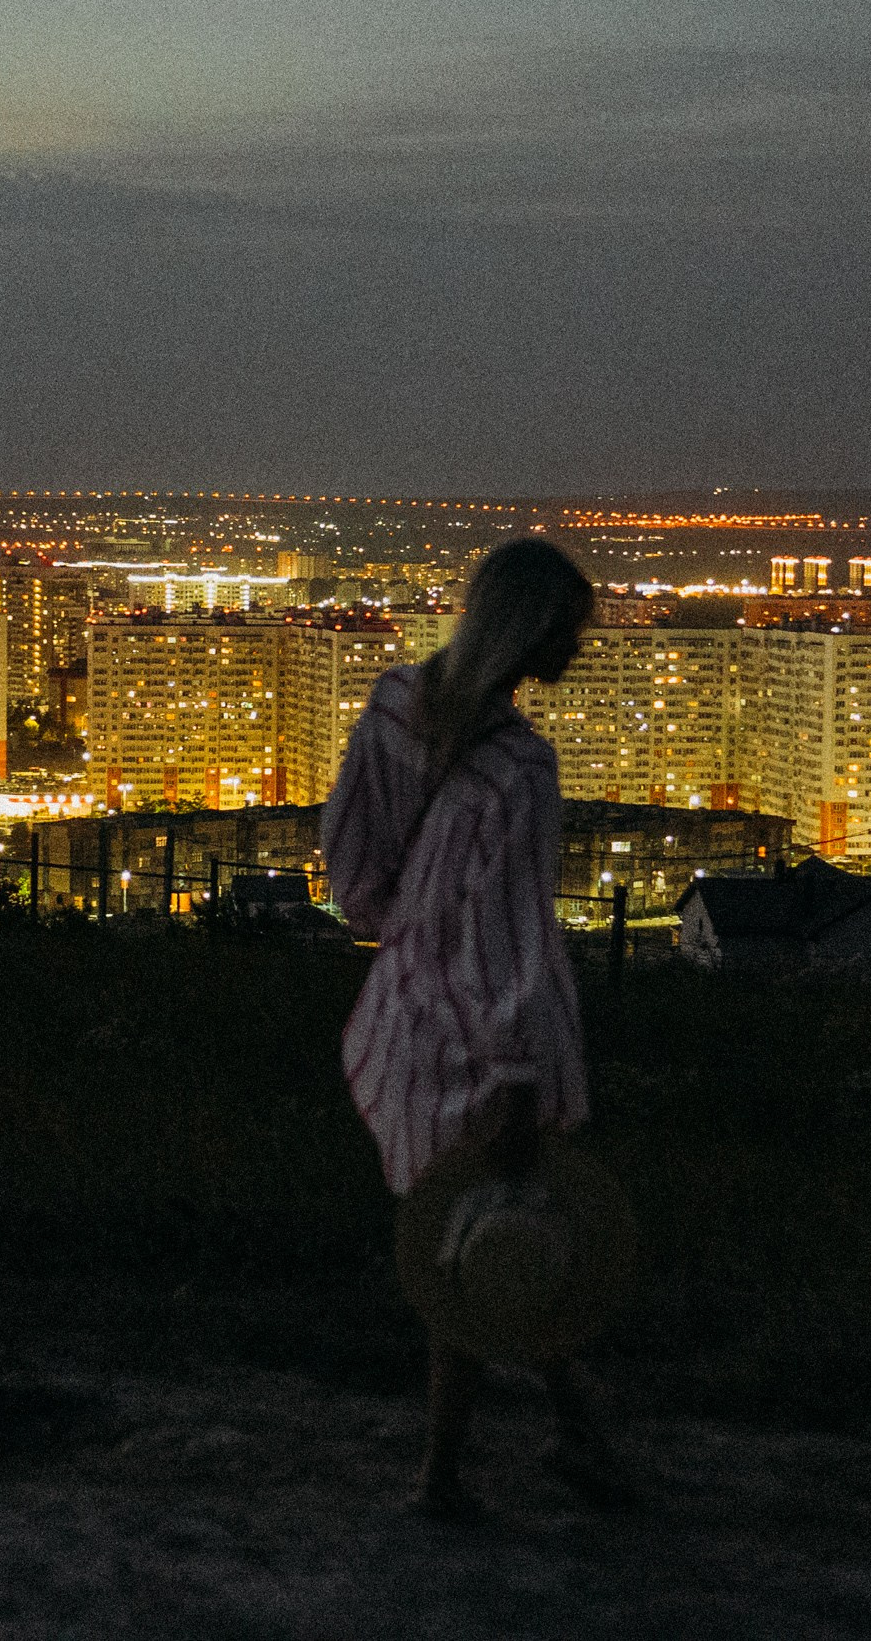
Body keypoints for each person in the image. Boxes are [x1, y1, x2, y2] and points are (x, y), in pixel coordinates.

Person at [320, 536, 625, 1520]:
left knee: (478, 1245)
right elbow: (509, 939)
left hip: (402, 1018)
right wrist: (516, 1071)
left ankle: (581, 1440)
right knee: (478, 1253)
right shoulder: (520, 771)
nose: (577, 651)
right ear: (530, 629)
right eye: (571, 631)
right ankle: (445, 1478)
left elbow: (353, 870)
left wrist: (401, 931)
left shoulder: (387, 708)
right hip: (481, 1046)